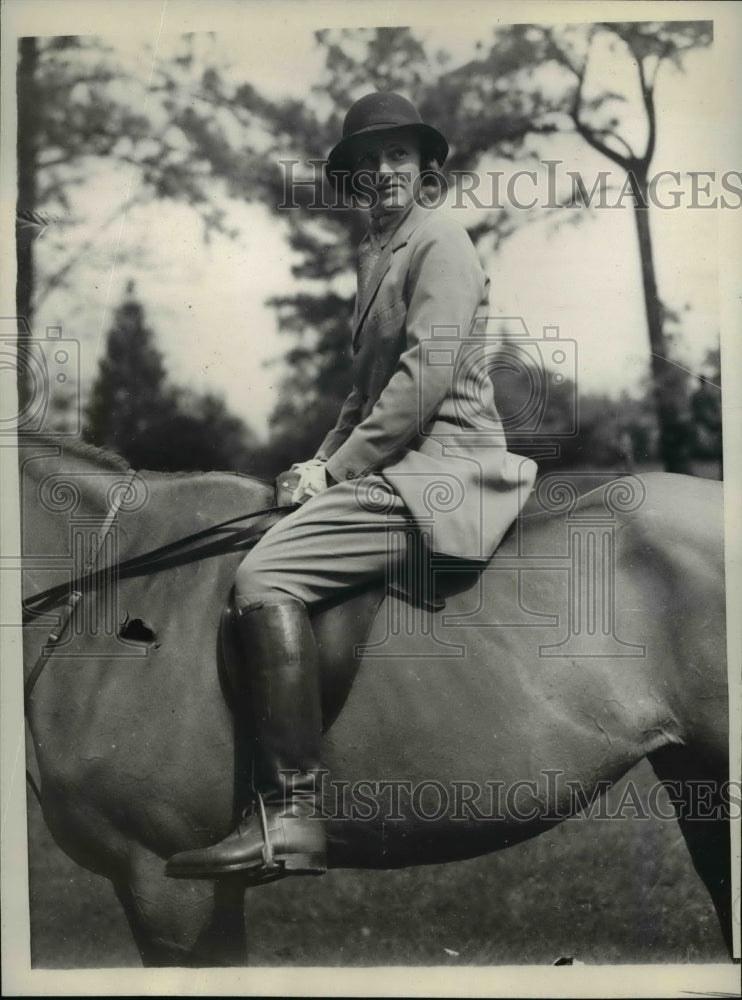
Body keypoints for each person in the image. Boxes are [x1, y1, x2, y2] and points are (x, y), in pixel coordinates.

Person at [166, 92, 537, 881]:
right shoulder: (379, 257)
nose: (382, 173)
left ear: (424, 166)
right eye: (365, 163)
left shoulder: (440, 239)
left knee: (265, 575)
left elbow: (423, 380)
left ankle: (290, 815)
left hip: (447, 469)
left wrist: (337, 470)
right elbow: (362, 397)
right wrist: (316, 461)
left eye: (397, 156)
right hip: (402, 462)